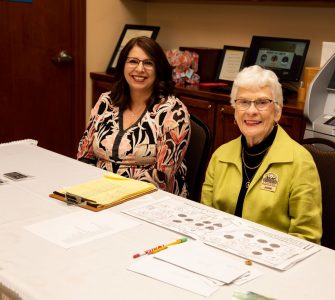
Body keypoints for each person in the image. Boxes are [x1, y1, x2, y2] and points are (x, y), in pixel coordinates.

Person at [201, 65, 322, 243]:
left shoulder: (301, 163)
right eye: (243, 102)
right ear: (235, 111)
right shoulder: (220, 156)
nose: (251, 111)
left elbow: (306, 237)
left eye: (262, 102)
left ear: (277, 112)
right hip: (221, 252)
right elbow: (205, 218)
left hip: (273, 261)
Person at [77, 36, 190, 197]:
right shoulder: (106, 102)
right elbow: (84, 155)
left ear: (159, 69)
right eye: (133, 61)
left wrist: (112, 195)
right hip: (98, 194)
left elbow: (162, 178)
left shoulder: (173, 112)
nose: (139, 69)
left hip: (150, 201)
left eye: (148, 63)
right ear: (123, 65)